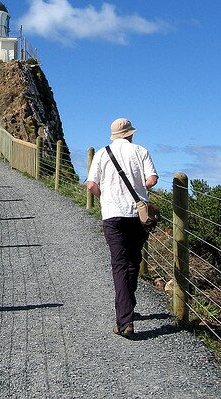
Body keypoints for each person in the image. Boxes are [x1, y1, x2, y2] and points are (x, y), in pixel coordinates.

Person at [87, 117, 158, 338]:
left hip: (111, 215)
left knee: (119, 265)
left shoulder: (101, 153)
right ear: (130, 134)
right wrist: (139, 190)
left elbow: (91, 185)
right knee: (133, 262)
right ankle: (128, 308)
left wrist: (104, 198)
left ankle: (125, 320)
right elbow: (152, 180)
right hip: (136, 215)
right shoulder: (141, 151)